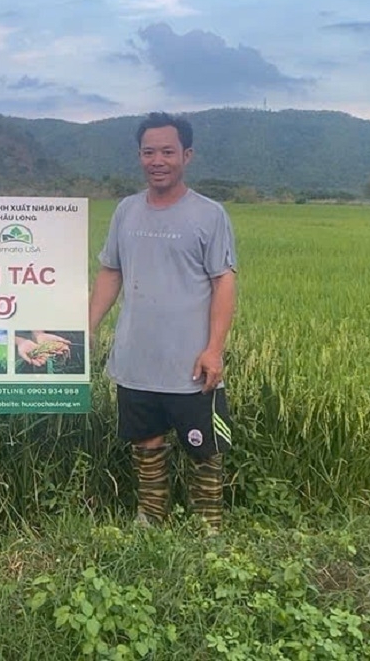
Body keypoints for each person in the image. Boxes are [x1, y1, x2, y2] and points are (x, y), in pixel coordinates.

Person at [88, 112, 237, 532]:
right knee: (145, 441)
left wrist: (214, 348)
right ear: (139, 156)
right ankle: (151, 518)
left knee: (203, 448)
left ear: (186, 156)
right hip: (136, 357)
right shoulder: (126, 211)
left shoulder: (209, 214)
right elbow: (110, 271)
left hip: (191, 362)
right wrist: (89, 325)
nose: (158, 160)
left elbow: (223, 282)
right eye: (148, 152)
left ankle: (209, 526)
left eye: (167, 152)